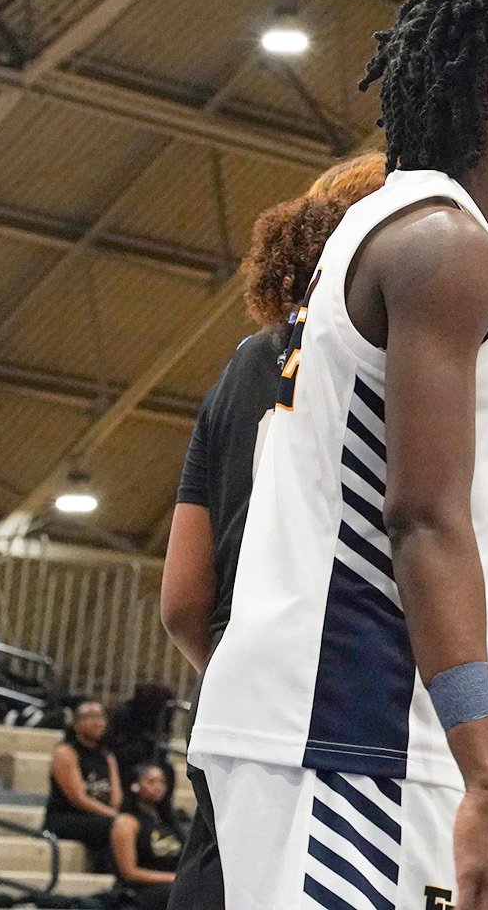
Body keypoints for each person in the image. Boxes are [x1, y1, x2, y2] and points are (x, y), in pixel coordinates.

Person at [187, 0, 488, 910]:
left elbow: (463, 550)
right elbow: (422, 518)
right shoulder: (443, 242)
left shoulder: (397, 226)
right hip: (353, 719)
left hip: (333, 720)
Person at [161, 151, 389, 910]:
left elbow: (182, 599)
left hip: (235, 700)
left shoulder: (244, 363)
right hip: (352, 703)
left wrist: (239, 666)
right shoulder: (401, 362)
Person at [46, 700, 121, 872]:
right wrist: (116, 817)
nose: (97, 722)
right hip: (65, 817)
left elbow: (116, 797)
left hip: (101, 817)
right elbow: (78, 798)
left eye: (101, 717)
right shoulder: (65, 752)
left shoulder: (107, 756)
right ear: (76, 724)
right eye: (90, 717)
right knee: (118, 826)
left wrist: (118, 814)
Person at [111, 763, 185, 910]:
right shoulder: (126, 822)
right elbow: (129, 873)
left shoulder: (168, 821)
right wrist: (172, 878)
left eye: (161, 782)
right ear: (135, 786)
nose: (158, 787)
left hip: (171, 885)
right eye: (151, 782)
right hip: (138, 891)